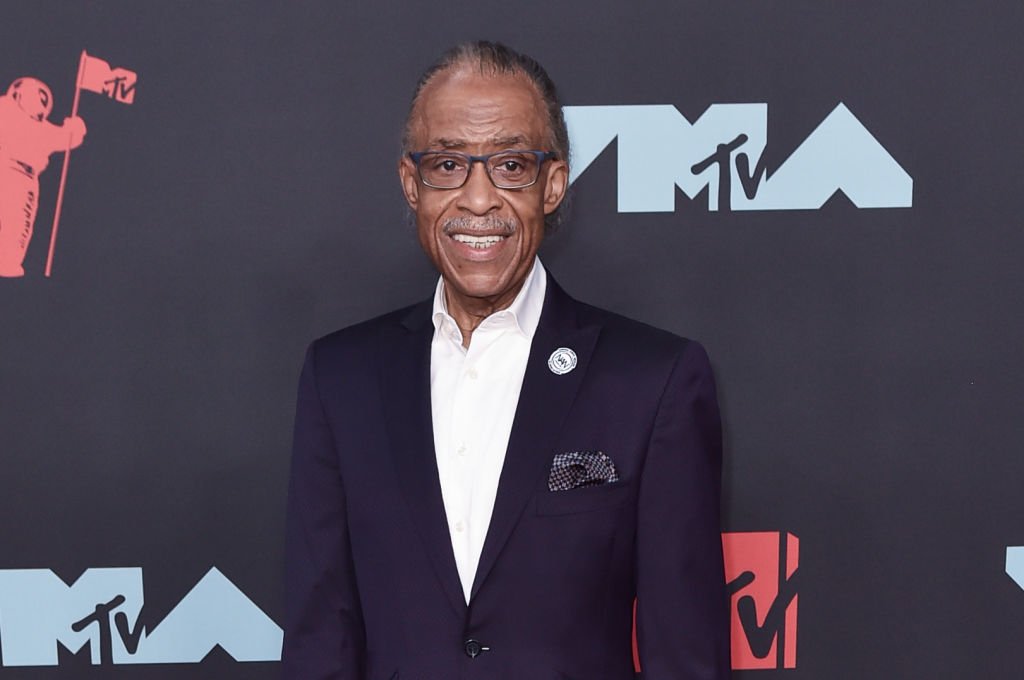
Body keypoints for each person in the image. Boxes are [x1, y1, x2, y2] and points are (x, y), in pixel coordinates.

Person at [283, 41, 729, 680]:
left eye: (511, 165)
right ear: (412, 184)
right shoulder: (341, 379)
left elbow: (686, 653)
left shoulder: (652, 381)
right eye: (447, 166)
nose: (478, 200)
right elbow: (318, 640)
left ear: (552, 184)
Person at [0, 77, 86, 277]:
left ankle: (8, 262)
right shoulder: (5, 110)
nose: (40, 102)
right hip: (8, 169)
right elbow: (66, 137)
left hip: (25, 178)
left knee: (19, 223)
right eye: (36, 96)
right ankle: (8, 261)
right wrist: (74, 128)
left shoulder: (42, 128)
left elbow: (66, 138)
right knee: (16, 222)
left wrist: (75, 128)